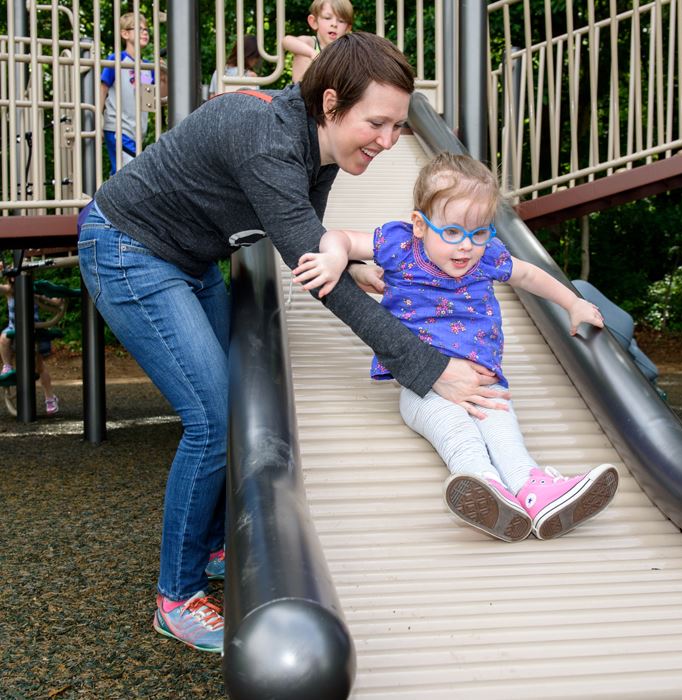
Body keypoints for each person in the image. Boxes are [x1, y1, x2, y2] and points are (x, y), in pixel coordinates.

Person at [78, 33, 502, 654]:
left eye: (396, 126)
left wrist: (348, 260)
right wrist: (429, 367)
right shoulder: (267, 144)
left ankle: (215, 543)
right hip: (129, 250)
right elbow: (319, 283)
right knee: (213, 416)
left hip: (192, 259)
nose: (388, 142)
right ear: (331, 104)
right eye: (376, 124)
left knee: (231, 400)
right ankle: (177, 596)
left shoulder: (321, 149)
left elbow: (308, 239)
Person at [293, 151, 620, 543]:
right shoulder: (399, 246)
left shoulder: (486, 259)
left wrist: (573, 302)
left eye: (478, 233)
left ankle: (534, 492)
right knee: (459, 435)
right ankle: (484, 489)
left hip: (483, 379)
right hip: (422, 383)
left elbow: (529, 274)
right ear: (419, 225)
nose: (465, 247)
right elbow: (342, 237)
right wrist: (334, 258)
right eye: (451, 233)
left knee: (504, 434)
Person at [100, 12, 167, 175]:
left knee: (122, 173)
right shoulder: (116, 59)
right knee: (132, 172)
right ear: (125, 33)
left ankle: (105, 200)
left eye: (146, 30)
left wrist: (163, 76)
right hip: (117, 127)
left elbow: (154, 99)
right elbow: (102, 89)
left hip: (137, 131)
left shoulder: (147, 67)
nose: (145, 32)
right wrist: (98, 120)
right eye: (139, 29)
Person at [0, 272, 59, 416]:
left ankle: (50, 397)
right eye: (14, 275)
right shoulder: (9, 291)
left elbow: (54, 301)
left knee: (39, 367)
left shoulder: (33, 291)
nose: (16, 277)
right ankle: (7, 365)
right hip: (14, 329)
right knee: (4, 337)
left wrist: (58, 298)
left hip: (33, 331)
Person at [282, 0, 353, 82]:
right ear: (314, 22)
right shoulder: (311, 43)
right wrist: (312, 53)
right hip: (298, 92)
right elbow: (286, 40)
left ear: (347, 28)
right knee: (303, 53)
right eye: (327, 18)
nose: (334, 24)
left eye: (341, 21)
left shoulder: (345, 51)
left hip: (328, 92)